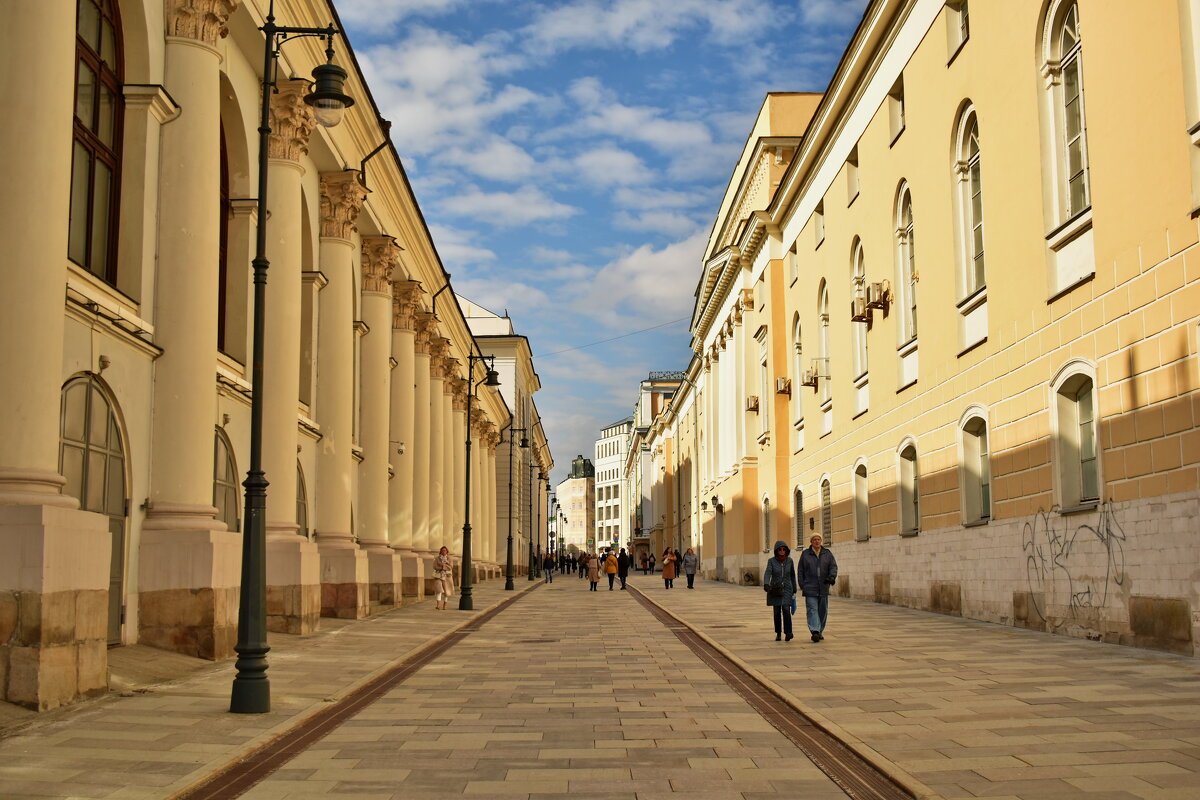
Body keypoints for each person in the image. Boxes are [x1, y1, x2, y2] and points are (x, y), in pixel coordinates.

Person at [798, 533, 838, 642]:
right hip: (810, 587)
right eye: (814, 539)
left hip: (823, 587)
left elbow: (833, 567)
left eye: (818, 539)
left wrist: (831, 577)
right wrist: (802, 584)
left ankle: (820, 630)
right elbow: (800, 570)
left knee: (822, 610)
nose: (817, 541)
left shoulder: (827, 553)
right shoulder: (806, 554)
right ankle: (814, 631)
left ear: (821, 541)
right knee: (812, 609)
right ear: (811, 542)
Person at [764, 540, 798, 641]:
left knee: (786, 610)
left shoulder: (789, 561)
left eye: (784, 549)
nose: (782, 551)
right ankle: (778, 633)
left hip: (787, 588)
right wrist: (766, 583)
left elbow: (792, 575)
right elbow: (768, 573)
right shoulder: (771, 561)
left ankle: (788, 632)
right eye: (780, 549)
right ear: (776, 551)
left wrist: (794, 588)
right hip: (775, 589)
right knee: (777, 611)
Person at [433, 546, 454, 611]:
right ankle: (438, 605)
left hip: (447, 576)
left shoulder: (449, 559)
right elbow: (435, 566)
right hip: (439, 576)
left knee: (446, 591)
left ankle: (445, 605)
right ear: (440, 551)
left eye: (445, 550)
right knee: (439, 590)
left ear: (447, 551)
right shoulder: (437, 558)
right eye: (442, 550)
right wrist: (443, 567)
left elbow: (450, 567)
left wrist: (442, 565)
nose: (443, 551)